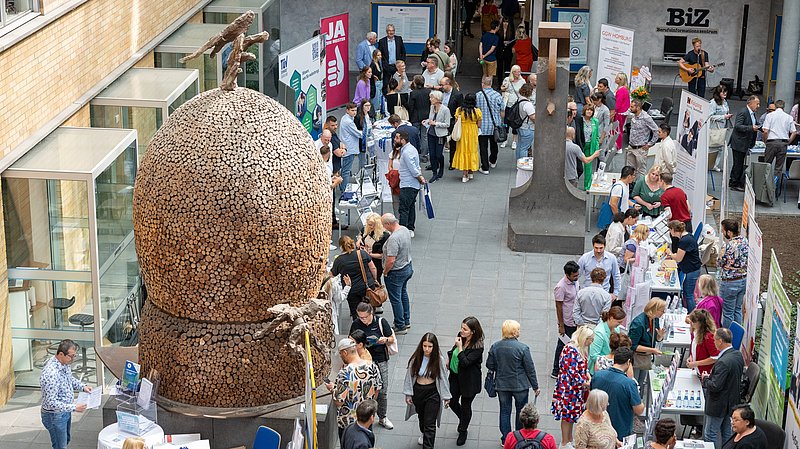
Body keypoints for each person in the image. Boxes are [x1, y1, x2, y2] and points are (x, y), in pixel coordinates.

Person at [486, 320, 541, 444]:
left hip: (502, 385)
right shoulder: (523, 348)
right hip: (520, 386)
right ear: (515, 332)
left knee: (504, 411)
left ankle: (506, 439)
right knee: (521, 411)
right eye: (518, 329)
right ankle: (519, 437)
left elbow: (489, 364)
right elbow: (530, 369)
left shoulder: (495, 346)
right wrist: (535, 386)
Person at [349, 303, 395, 429]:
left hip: (380, 360)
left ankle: (382, 417)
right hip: (363, 361)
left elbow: (391, 339)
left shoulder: (381, 322)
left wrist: (384, 340)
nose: (363, 320)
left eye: (365, 317)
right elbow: (350, 339)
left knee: (383, 391)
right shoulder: (356, 324)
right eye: (360, 317)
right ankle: (364, 417)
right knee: (365, 391)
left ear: (371, 314)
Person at [326, 338, 383, 438]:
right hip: (367, 419)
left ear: (344, 352)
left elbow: (339, 401)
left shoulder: (345, 373)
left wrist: (332, 389)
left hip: (349, 423)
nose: (340, 357)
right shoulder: (372, 366)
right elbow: (377, 389)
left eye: (340, 354)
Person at [40, 339, 91, 449]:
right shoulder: (51, 374)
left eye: (74, 356)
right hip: (54, 416)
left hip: (64, 411)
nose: (73, 359)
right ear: (61, 354)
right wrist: (74, 407)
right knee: (60, 446)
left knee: (66, 440)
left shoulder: (64, 363)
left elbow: (69, 378)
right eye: (71, 356)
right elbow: (51, 403)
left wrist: (82, 387)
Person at [404, 333, 451, 449]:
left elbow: (443, 378)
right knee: (422, 416)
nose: (427, 349)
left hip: (432, 392)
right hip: (418, 391)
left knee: (430, 424)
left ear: (434, 347)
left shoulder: (438, 360)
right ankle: (423, 432)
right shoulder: (416, 358)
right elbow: (409, 376)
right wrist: (408, 393)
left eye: (430, 346)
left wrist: (446, 396)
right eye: (425, 346)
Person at [552, 326, 595, 449]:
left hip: (574, 389)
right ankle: (565, 442)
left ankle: (569, 439)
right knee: (566, 416)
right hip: (568, 389)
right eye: (590, 339)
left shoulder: (579, 348)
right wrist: (587, 383)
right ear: (584, 338)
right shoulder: (570, 350)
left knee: (570, 415)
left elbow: (582, 367)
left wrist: (587, 375)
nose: (591, 342)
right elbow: (573, 372)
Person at [702, 328, 744, 448]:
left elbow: (715, 386)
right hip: (731, 403)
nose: (714, 342)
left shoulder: (723, 362)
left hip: (718, 404)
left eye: (715, 340)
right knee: (727, 434)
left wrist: (705, 378)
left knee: (710, 434)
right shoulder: (737, 355)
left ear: (720, 341)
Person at [589, 347, 644, 439]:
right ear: (628, 362)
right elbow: (639, 410)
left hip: (596, 426)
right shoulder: (629, 384)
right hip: (620, 429)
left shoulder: (597, 375)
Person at [448, 317, 485, 445]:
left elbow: (465, 362)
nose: (461, 331)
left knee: (466, 405)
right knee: (452, 401)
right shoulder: (461, 336)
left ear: (473, 331)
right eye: (461, 327)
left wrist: (459, 348)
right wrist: (450, 357)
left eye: (465, 329)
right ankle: (463, 419)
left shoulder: (478, 347)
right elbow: (454, 350)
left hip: (469, 381)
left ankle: (463, 429)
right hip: (455, 376)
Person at [381, 213, 414, 333]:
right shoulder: (404, 230)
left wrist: (385, 272)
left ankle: (400, 325)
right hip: (407, 266)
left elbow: (391, 260)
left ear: (388, 224)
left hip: (396, 272)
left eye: (384, 225)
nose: (384, 228)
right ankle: (406, 319)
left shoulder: (394, 239)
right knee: (403, 293)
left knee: (395, 298)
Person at [393, 130, 426, 234]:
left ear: (403, 140)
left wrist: (420, 177)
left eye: (397, 138)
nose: (395, 140)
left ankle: (402, 231)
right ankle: (410, 228)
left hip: (408, 184)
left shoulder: (407, 152)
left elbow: (412, 168)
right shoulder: (410, 149)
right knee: (410, 206)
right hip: (411, 184)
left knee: (403, 209)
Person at [552, 261, 580, 379]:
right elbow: (558, 306)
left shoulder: (575, 282)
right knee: (562, 344)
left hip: (575, 318)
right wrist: (561, 325)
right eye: (574, 275)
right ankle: (556, 369)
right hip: (567, 319)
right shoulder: (561, 286)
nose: (577, 277)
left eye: (577, 275)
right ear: (567, 275)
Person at [718, 219, 748, 328]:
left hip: (730, 282)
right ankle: (736, 337)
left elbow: (720, 262)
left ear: (729, 232)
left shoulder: (727, 246)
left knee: (728, 313)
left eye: (723, 230)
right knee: (737, 310)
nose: (722, 232)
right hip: (743, 280)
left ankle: (727, 339)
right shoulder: (745, 241)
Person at [629, 298, 666, 385]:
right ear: (655, 309)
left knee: (641, 382)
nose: (663, 313)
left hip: (646, 357)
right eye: (662, 310)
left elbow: (655, 338)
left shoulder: (655, 319)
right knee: (635, 382)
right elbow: (633, 346)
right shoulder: (638, 323)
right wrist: (652, 350)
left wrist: (659, 336)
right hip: (637, 358)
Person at [666, 220, 702, 311]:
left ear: (674, 230)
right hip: (691, 268)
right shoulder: (687, 236)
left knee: (688, 294)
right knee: (687, 293)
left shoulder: (684, 241)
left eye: (670, 230)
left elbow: (678, 258)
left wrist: (670, 254)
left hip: (692, 270)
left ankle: (692, 315)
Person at [729, 96, 761, 191]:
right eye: (757, 103)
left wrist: (759, 127)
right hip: (739, 143)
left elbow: (753, 123)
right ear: (750, 103)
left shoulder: (752, 113)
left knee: (740, 163)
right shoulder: (743, 112)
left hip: (745, 143)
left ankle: (735, 181)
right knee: (738, 163)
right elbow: (738, 126)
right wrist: (751, 128)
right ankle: (734, 183)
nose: (758, 106)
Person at [762, 99, 798, 177]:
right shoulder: (788, 117)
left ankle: (764, 186)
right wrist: (788, 142)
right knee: (778, 168)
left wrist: (765, 141)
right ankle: (775, 187)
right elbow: (794, 132)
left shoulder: (769, 115)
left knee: (766, 165)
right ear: (783, 107)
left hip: (771, 142)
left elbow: (765, 131)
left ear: (775, 106)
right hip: (783, 143)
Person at [577, 235, 621, 299]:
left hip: (604, 293)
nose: (598, 250)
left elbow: (616, 275)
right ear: (593, 246)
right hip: (588, 293)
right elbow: (577, 274)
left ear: (605, 246)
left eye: (601, 248)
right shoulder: (585, 258)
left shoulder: (611, 258)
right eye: (596, 248)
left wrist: (616, 294)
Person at [477, 75, 504, 173]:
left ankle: (485, 167)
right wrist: (501, 122)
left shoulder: (478, 95)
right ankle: (493, 160)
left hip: (482, 125)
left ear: (482, 83)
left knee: (483, 147)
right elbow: (502, 110)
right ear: (491, 84)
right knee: (494, 144)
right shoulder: (497, 95)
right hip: (494, 125)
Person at [453, 93, 482, 183]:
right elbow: (479, 125)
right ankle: (470, 171)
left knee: (463, 151)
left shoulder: (459, 110)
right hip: (472, 133)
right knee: (472, 151)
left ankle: (464, 174)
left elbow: (456, 122)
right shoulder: (477, 111)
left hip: (462, 133)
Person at [588, 306, 626, 374]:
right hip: (599, 370)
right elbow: (593, 355)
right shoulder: (599, 332)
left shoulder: (616, 328)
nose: (620, 324)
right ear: (611, 318)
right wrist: (610, 360)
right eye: (619, 322)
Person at [627, 99, 659, 177]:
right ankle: (631, 186)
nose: (630, 108)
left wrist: (650, 144)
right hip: (631, 146)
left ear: (638, 108)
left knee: (641, 170)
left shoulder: (646, 118)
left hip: (640, 149)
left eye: (632, 107)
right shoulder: (634, 115)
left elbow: (656, 130)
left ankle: (640, 187)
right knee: (630, 169)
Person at [357, 212, 391, 285]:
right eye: (368, 224)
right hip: (363, 260)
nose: (370, 227)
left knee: (375, 281)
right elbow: (361, 234)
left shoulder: (385, 236)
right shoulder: (366, 229)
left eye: (372, 225)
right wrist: (359, 239)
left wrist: (369, 254)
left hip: (376, 263)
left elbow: (383, 255)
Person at [425, 90, 451, 182]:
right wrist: (427, 121)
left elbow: (447, 124)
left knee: (439, 154)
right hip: (431, 133)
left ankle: (441, 167)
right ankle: (434, 173)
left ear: (437, 99)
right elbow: (431, 118)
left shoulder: (445, 109)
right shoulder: (432, 107)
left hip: (440, 134)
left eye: (432, 97)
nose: (430, 99)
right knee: (432, 154)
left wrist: (436, 123)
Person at [574, 103, 600, 191]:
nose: (589, 111)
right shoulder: (579, 120)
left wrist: (596, 148)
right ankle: (574, 184)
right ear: (584, 110)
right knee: (578, 166)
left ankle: (587, 186)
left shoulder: (595, 121)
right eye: (588, 110)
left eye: (591, 110)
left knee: (588, 166)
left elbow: (597, 136)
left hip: (590, 145)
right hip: (580, 145)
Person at [686, 308, 719, 375]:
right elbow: (694, 349)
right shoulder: (696, 331)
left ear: (701, 323)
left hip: (706, 373)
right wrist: (691, 357)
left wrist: (697, 363)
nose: (691, 323)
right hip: (698, 370)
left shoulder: (709, 337)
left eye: (694, 321)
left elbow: (715, 357)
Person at [500, 65, 526, 150]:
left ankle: (514, 141)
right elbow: (502, 88)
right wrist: (504, 88)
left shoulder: (522, 81)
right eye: (516, 71)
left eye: (519, 71)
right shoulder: (507, 80)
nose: (518, 73)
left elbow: (524, 91)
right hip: (508, 103)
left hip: (517, 104)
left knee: (515, 123)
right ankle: (505, 139)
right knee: (506, 122)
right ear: (513, 72)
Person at [339, 102, 362, 195]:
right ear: (347, 110)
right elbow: (357, 133)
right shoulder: (348, 122)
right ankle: (344, 190)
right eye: (352, 110)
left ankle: (342, 187)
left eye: (355, 110)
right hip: (349, 148)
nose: (354, 112)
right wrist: (366, 132)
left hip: (347, 147)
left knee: (345, 169)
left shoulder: (346, 118)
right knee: (346, 170)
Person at [708, 85, 732, 171]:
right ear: (718, 93)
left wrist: (727, 116)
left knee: (720, 147)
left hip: (723, 128)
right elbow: (710, 117)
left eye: (725, 91)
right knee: (712, 146)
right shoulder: (713, 103)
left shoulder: (725, 102)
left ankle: (714, 165)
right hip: (715, 127)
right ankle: (708, 164)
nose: (725, 93)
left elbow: (726, 111)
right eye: (722, 92)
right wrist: (723, 117)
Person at [407, 75, 431, 160]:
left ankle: (415, 153)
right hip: (426, 116)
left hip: (415, 117)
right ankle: (424, 154)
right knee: (424, 136)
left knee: (415, 135)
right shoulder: (428, 92)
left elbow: (411, 106)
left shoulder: (413, 93)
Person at [377, 23, 406, 91]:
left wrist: (401, 63)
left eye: (393, 30)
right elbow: (379, 54)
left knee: (398, 83)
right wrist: (383, 65)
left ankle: (396, 98)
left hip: (397, 66)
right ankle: (385, 99)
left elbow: (403, 52)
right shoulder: (382, 41)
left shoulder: (399, 39)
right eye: (389, 30)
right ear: (387, 32)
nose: (391, 32)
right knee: (385, 84)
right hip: (387, 66)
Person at [516, 82, 536, 160]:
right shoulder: (528, 104)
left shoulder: (519, 99)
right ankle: (522, 165)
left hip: (520, 126)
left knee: (520, 146)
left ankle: (518, 163)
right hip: (527, 127)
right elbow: (533, 117)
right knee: (524, 148)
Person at [614, 73, 630, 151]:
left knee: (618, 129)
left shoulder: (621, 90)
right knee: (619, 128)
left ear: (620, 80)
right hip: (621, 112)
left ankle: (618, 147)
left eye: (617, 78)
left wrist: (614, 111)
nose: (615, 79)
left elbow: (618, 103)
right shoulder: (622, 89)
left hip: (619, 112)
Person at [370, 49, 384, 115]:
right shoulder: (372, 64)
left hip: (379, 83)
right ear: (374, 56)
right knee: (376, 101)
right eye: (378, 55)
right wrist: (373, 76)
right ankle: (375, 114)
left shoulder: (378, 63)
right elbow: (369, 73)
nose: (380, 56)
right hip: (375, 84)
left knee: (379, 100)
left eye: (380, 55)